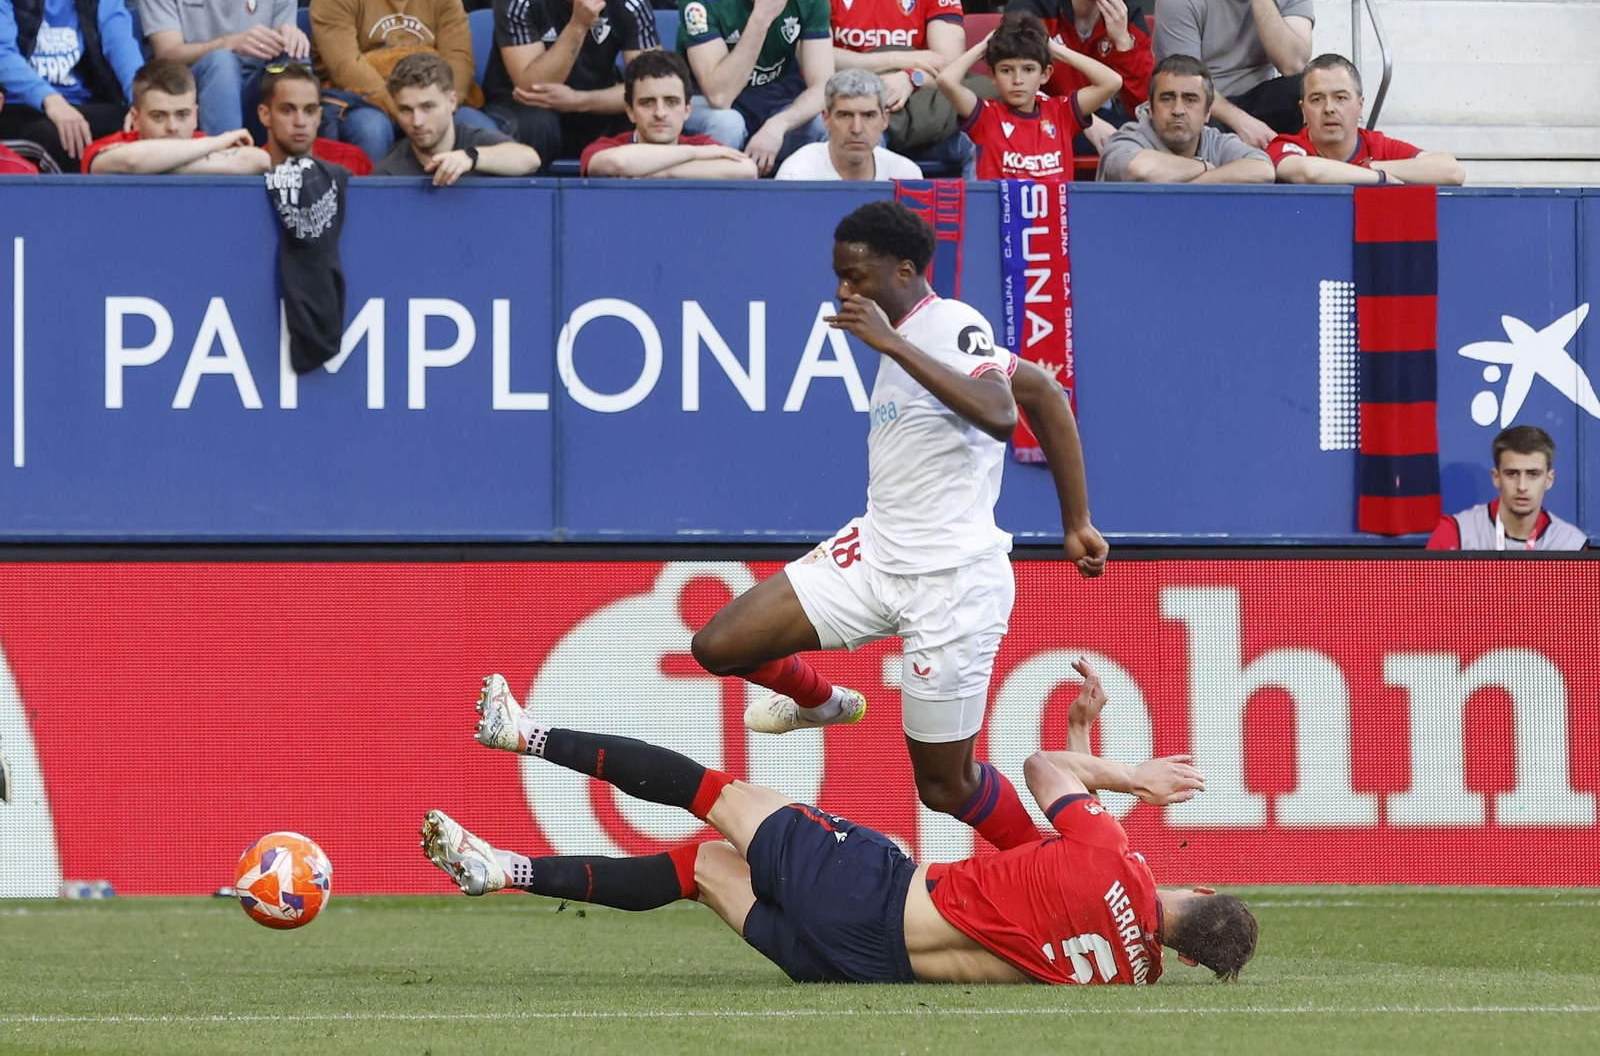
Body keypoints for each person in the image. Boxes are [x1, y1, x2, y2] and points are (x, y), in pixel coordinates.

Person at [683, 200, 1109, 856]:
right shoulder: (926, 335)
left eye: (856, 275)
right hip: (875, 553)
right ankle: (823, 703)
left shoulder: (946, 323)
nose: (844, 290)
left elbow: (1001, 413)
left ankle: (1057, 869)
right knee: (719, 644)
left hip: (954, 583)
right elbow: (1043, 393)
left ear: (905, 268)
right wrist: (1076, 520)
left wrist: (891, 342)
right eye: (839, 276)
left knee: (945, 785)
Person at [424, 664, 1258, 986]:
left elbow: (1046, 777)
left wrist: (1132, 778)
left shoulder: (1116, 858)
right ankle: (503, 869)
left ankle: (521, 734)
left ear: (1205, 887)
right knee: (705, 869)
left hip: (871, 893)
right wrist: (1092, 748)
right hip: (855, 966)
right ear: (1185, 954)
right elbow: (1059, 863)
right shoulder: (1130, 975)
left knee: (712, 790)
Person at [310, 0, 502, 163]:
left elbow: (459, 58)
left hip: (430, 95)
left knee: (479, 125)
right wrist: (404, 110)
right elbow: (346, 67)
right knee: (371, 128)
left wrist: (442, 106)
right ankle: (373, 200)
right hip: (361, 101)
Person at [485, 0, 659, 168]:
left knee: (647, 116)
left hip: (595, 103)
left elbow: (653, 85)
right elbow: (533, 87)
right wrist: (578, 25)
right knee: (539, 124)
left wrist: (579, 101)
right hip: (522, 105)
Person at [938, 12, 1121, 180]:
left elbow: (1112, 82)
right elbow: (946, 80)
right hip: (1001, 216)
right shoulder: (986, 116)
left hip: (1054, 215)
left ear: (1045, 74)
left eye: (1028, 69)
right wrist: (983, 47)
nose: (1017, 80)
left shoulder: (1061, 112)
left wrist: (1054, 49)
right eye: (1006, 70)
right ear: (992, 76)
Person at [676, 0, 834, 175]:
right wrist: (761, 17)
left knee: (827, 125)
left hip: (776, 102)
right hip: (708, 104)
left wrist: (779, 124)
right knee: (727, 124)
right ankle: (712, 201)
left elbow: (823, 86)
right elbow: (719, 96)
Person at [825, 0, 972, 176]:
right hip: (851, 100)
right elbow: (819, 57)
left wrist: (911, 77)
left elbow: (949, 64)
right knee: (861, 129)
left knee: (985, 135)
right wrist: (897, 59)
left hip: (922, 106)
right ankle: (867, 204)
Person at [1268, 54, 1465, 187]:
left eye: (1341, 98)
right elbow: (1307, 172)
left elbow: (1452, 171)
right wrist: (1379, 178)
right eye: (1317, 99)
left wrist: (1373, 166)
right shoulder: (1286, 145)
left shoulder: (1378, 146)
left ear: (1360, 106)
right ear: (1303, 110)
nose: (1329, 108)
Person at [0, 0, 143, 171]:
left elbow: (119, 39)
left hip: (83, 102)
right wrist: (51, 100)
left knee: (146, 124)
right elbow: (2, 52)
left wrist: (141, 99)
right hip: (16, 104)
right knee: (61, 138)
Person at [1151, 0, 1312, 148]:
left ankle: (1296, 164)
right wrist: (1241, 122)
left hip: (1259, 96)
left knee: (1307, 93)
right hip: (1205, 101)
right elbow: (1183, 81)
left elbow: (1293, 65)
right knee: (1194, 120)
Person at [137, 0, 307, 139]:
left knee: (296, 60)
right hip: (193, 87)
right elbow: (167, 54)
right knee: (221, 62)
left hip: (258, 82)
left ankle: (301, 167)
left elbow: (282, 42)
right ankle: (226, 160)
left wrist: (292, 38)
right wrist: (229, 43)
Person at [1005, 0, 1153, 152]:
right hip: (1041, 114)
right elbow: (1016, 84)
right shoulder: (1031, 4)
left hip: (1103, 114)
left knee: (1147, 139)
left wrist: (1124, 43)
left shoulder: (1127, 14)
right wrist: (1080, 116)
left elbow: (1144, 106)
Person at [579, 49, 755, 178]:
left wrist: (664, 173)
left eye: (672, 102)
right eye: (647, 103)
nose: (660, 113)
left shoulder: (700, 144)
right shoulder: (608, 146)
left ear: (687, 110)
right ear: (630, 111)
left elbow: (747, 170)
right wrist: (693, 154)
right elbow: (618, 163)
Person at [1096, 54, 1270, 182]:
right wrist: (1203, 166)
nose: (1178, 110)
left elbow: (1263, 170)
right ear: (1150, 108)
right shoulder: (1124, 140)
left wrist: (1199, 182)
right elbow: (1139, 169)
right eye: (1167, 98)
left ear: (1207, 112)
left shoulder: (1217, 142)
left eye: (1190, 99)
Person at [373, 51, 540, 183]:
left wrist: (471, 157)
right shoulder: (388, 173)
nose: (417, 122)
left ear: (452, 102)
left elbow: (530, 159)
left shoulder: (477, 140)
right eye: (406, 110)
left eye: (428, 107)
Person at [81, 59, 270, 174]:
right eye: (158, 116)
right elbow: (130, 161)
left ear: (196, 115)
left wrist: (153, 165)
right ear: (135, 118)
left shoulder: (201, 142)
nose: (172, 127)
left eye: (182, 115)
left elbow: (258, 160)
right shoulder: (102, 148)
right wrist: (219, 142)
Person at [1427, 426, 1587, 551]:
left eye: (1533, 474)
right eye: (1512, 473)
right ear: (1496, 477)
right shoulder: (1456, 534)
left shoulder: (1569, 543)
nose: (1522, 486)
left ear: (1549, 479)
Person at [775, 68, 921, 181]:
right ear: (826, 118)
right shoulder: (797, 175)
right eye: (845, 115)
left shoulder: (906, 175)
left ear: (884, 119)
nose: (857, 129)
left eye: (868, 116)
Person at [256, 61, 372, 175]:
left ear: (319, 116)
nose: (300, 122)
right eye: (288, 111)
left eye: (309, 111)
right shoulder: (251, 170)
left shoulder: (353, 161)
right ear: (265, 115)